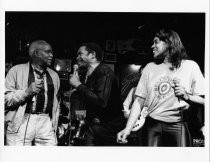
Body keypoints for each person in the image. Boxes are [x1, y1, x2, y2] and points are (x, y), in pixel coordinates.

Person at [117, 29, 205, 146]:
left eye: (156, 42)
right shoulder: (149, 67)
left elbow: (204, 100)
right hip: (152, 126)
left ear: (168, 42)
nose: (152, 46)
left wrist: (187, 96)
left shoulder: (191, 66)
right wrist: (128, 129)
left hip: (178, 126)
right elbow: (139, 101)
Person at [5, 40, 60, 146]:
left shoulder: (54, 75)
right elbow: (5, 99)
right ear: (37, 53)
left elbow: (56, 103)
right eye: (48, 52)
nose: (51, 55)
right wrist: (26, 92)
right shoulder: (16, 70)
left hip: (45, 122)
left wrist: (55, 124)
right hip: (22, 120)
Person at [69, 42, 126, 146]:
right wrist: (79, 121)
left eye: (80, 54)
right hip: (91, 126)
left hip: (107, 127)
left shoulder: (104, 72)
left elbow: (101, 101)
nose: (77, 58)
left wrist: (78, 85)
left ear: (92, 55)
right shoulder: (84, 74)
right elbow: (84, 100)